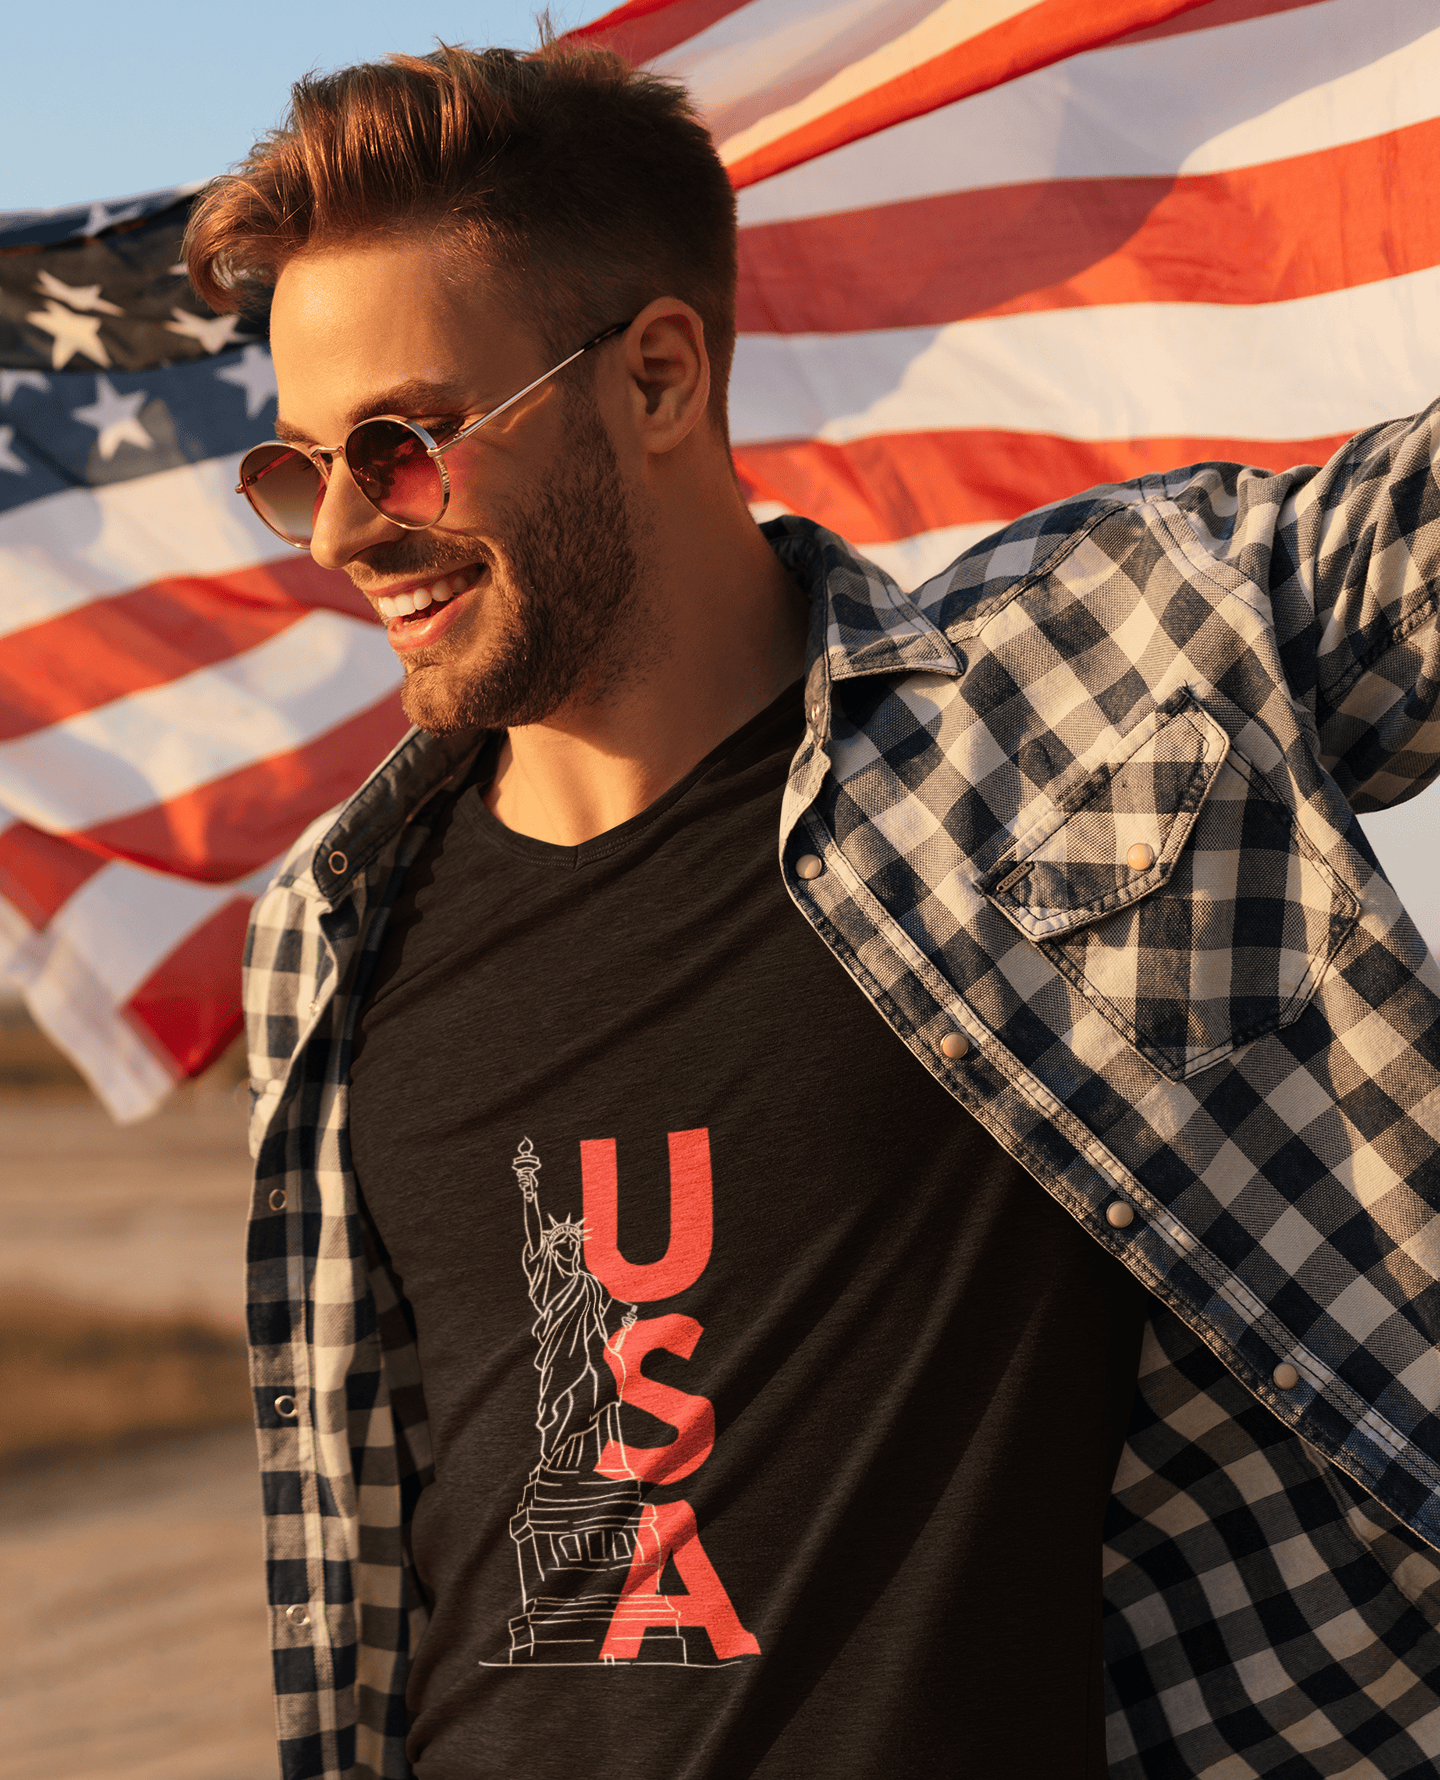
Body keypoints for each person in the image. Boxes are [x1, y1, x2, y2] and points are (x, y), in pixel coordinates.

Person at [186, 35, 1440, 1780]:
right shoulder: (322, 946)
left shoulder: (1080, 694)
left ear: (659, 377)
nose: (339, 534)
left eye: (400, 447)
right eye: (296, 467)